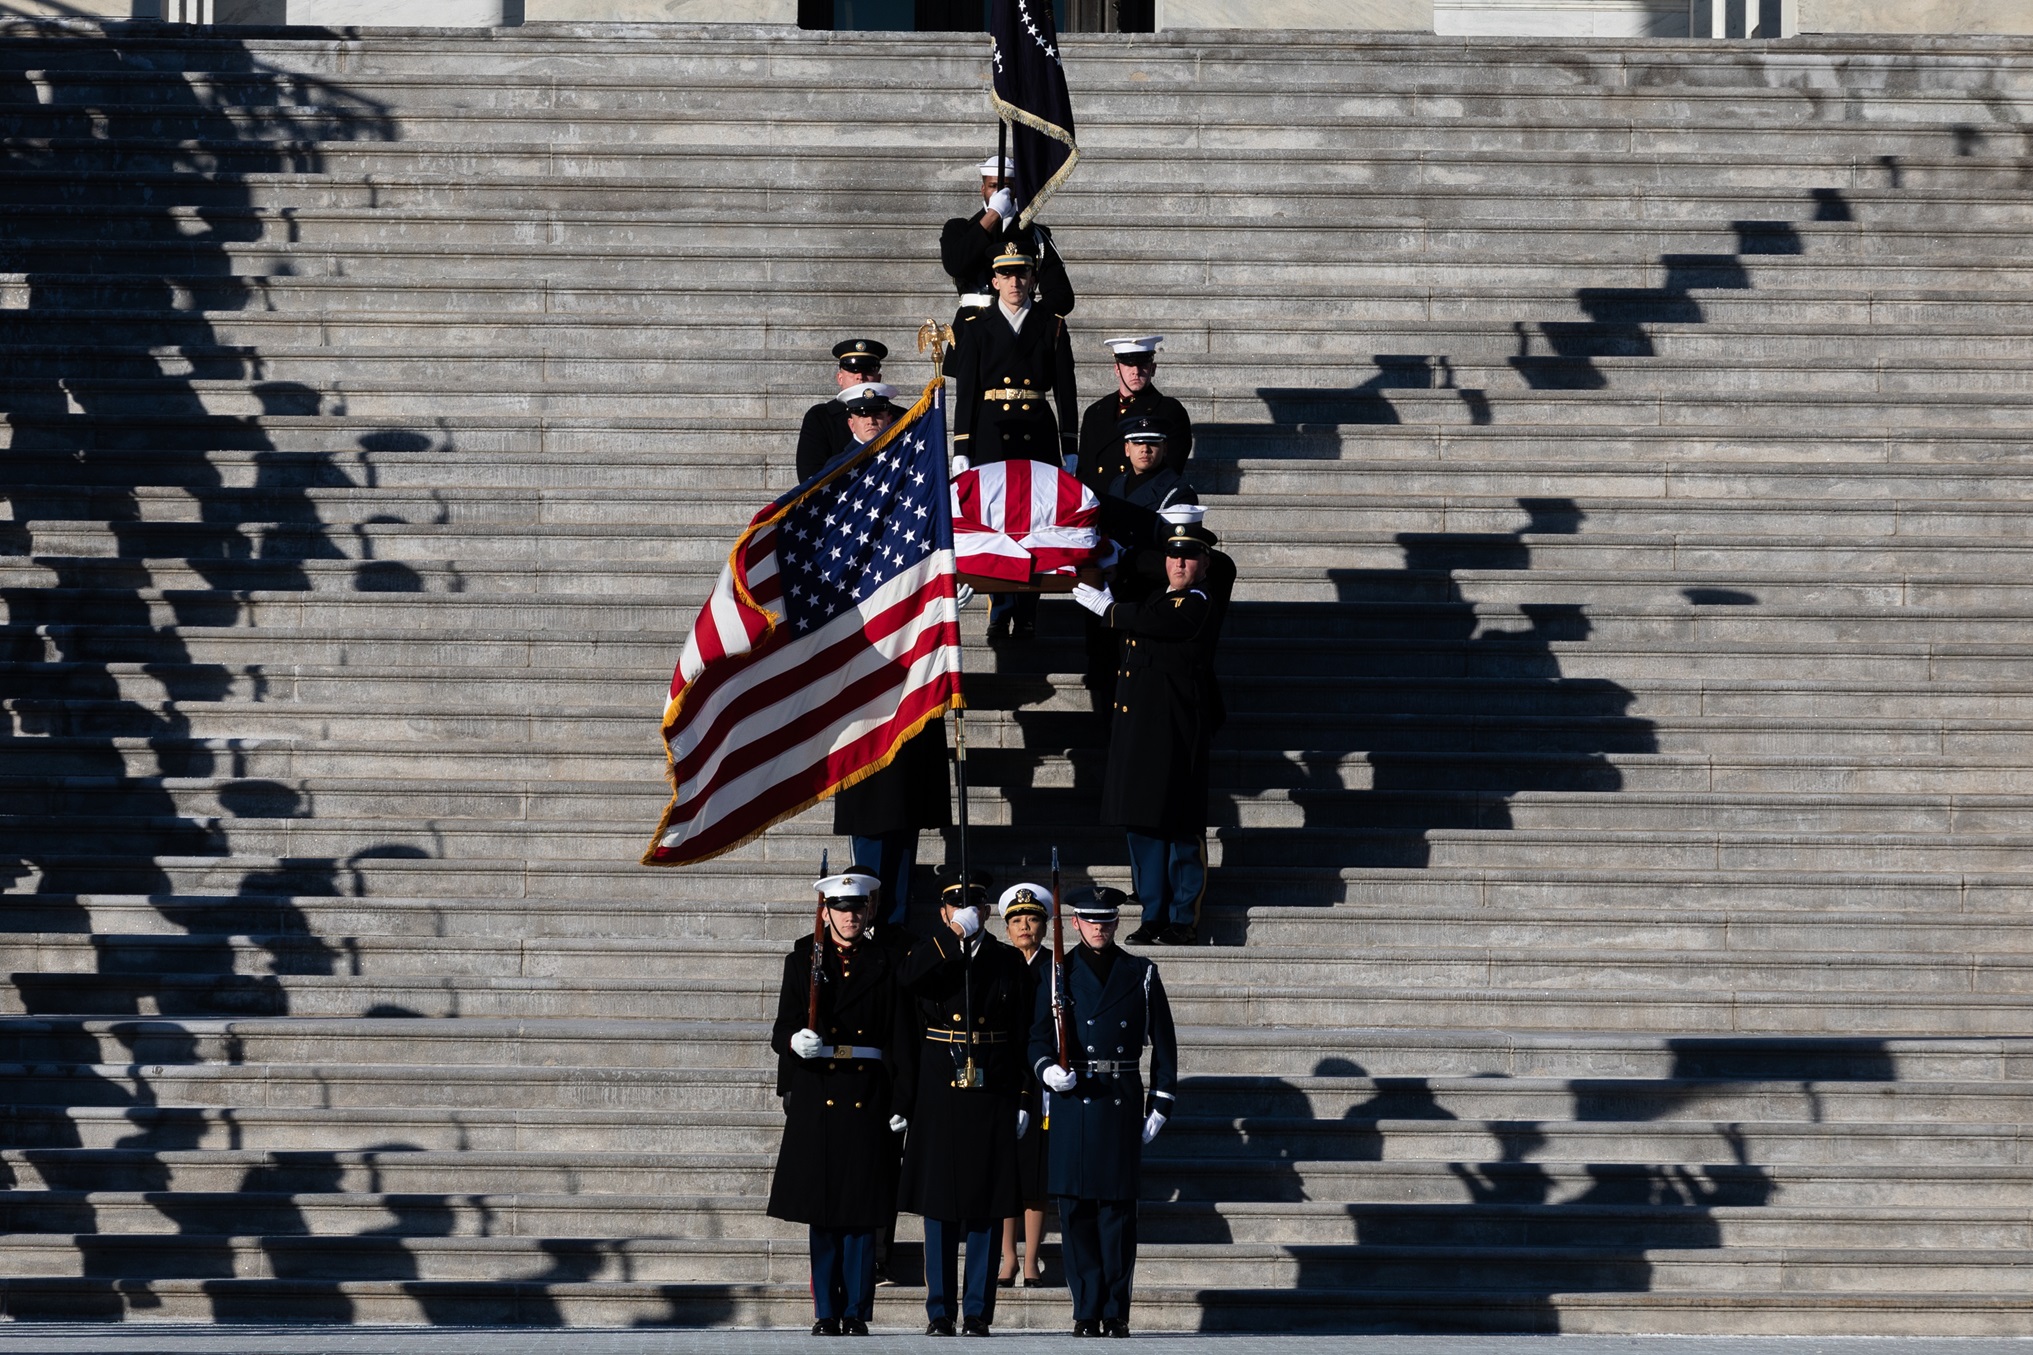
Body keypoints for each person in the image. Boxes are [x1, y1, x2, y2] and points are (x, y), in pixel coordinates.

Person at [1070, 507, 1236, 946]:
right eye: (1173, 557)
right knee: (1143, 825)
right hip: (1142, 730)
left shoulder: (1199, 602)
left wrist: (1110, 610)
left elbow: (1162, 624)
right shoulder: (1156, 598)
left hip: (1178, 730)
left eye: (1189, 558)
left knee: (1180, 826)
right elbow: (1147, 607)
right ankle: (1153, 912)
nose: (1180, 564)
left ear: (1205, 563)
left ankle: (1183, 917)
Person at [767, 869, 914, 1337]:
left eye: (858, 908)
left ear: (870, 910)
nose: (850, 916)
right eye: (841, 908)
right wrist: (797, 1041)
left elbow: (901, 1037)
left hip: (867, 1091)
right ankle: (825, 1310)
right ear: (825, 912)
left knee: (862, 1209)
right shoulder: (803, 960)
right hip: (819, 1088)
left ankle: (855, 1310)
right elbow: (780, 1029)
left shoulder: (886, 961)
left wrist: (903, 1097)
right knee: (823, 1210)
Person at [1029, 885, 1179, 1338]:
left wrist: (1162, 1102)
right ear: (1074, 923)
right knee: (1076, 1212)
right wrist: (1045, 1071)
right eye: (1090, 920)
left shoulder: (1141, 971)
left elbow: (1165, 1045)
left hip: (1119, 1095)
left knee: (1117, 1213)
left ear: (1117, 923)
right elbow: (1036, 1036)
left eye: (1107, 920)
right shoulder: (1058, 972)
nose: (1098, 927)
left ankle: (1115, 1310)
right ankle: (1085, 1308)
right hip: (1076, 1097)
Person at [897, 870, 1032, 1336]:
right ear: (945, 912)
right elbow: (909, 979)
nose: (967, 913)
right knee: (938, 1206)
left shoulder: (1007, 961)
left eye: (974, 906)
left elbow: (1022, 1033)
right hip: (939, 1083)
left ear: (988, 912)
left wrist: (1023, 1095)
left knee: (987, 1204)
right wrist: (953, 935)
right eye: (957, 907)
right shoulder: (931, 952)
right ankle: (939, 1311)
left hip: (991, 1082)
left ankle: (976, 1310)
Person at [947, 236, 1080, 644]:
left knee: (1036, 520)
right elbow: (967, 388)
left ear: (1033, 277)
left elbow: (1067, 389)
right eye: (1006, 273)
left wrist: (1070, 445)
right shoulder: (976, 326)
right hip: (990, 433)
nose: (1014, 281)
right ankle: (1000, 607)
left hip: (1037, 430)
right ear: (994, 280)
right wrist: (961, 447)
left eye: (1021, 272)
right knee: (997, 523)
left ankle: (1027, 611)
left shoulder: (1051, 324)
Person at [1081, 418, 1198, 721]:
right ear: (1126, 448)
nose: (1145, 449)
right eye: (1138, 443)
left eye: (1153, 443)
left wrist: (1123, 562)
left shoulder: (1178, 493)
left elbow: (1175, 561)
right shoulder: (1116, 485)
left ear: (1164, 448)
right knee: (1107, 684)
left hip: (1145, 597)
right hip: (1113, 594)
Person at [996, 883, 1053, 1289]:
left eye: (1032, 919)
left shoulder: (1058, 965)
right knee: (1004, 1173)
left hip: (1041, 1077)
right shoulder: (997, 962)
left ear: (1045, 926)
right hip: (1002, 1075)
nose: (1025, 926)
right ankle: (1008, 1257)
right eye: (1016, 920)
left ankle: (1031, 1259)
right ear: (1006, 927)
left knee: (1034, 1172)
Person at [940, 155, 1074, 324]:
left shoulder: (1035, 235)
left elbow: (1061, 295)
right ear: (983, 189)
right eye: (993, 186)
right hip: (974, 326)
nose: (1000, 193)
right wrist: (993, 214)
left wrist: (1028, 318)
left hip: (1019, 327)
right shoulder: (959, 229)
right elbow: (956, 266)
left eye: (1007, 187)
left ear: (1016, 190)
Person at [1076, 336, 1192, 496]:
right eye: (1128, 365)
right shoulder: (1095, 411)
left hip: (1141, 502)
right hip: (1100, 503)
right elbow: (1086, 469)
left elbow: (1171, 468)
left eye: (1143, 365)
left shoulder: (1169, 410)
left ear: (1153, 368)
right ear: (1117, 369)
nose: (1135, 372)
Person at [797, 339, 889, 482]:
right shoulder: (820, 417)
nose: (860, 376)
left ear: (879, 378)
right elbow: (809, 476)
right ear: (840, 378)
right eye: (853, 370)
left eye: (868, 369)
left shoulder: (899, 416)